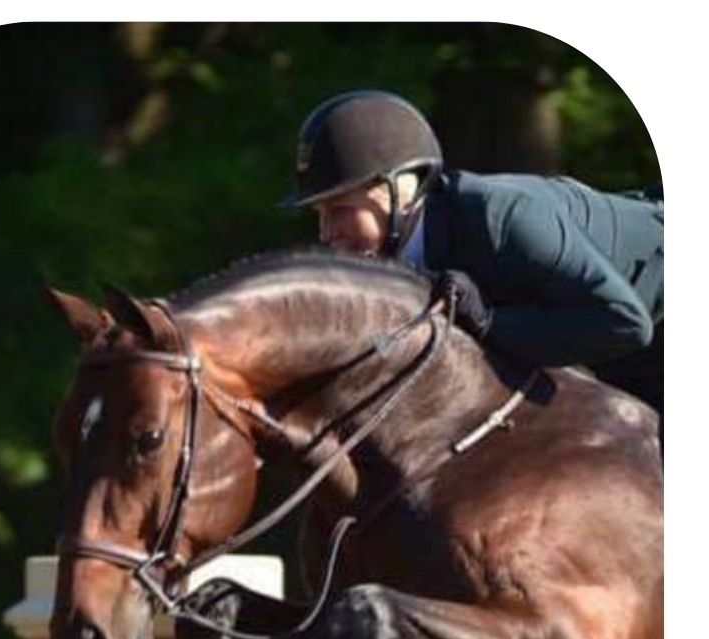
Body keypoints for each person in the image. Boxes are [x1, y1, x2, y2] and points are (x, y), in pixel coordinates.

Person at [281, 90, 664, 420]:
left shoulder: (501, 219)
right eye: (319, 215)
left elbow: (626, 322)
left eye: (340, 210)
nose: (326, 234)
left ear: (401, 192)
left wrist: (489, 322)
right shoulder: (399, 257)